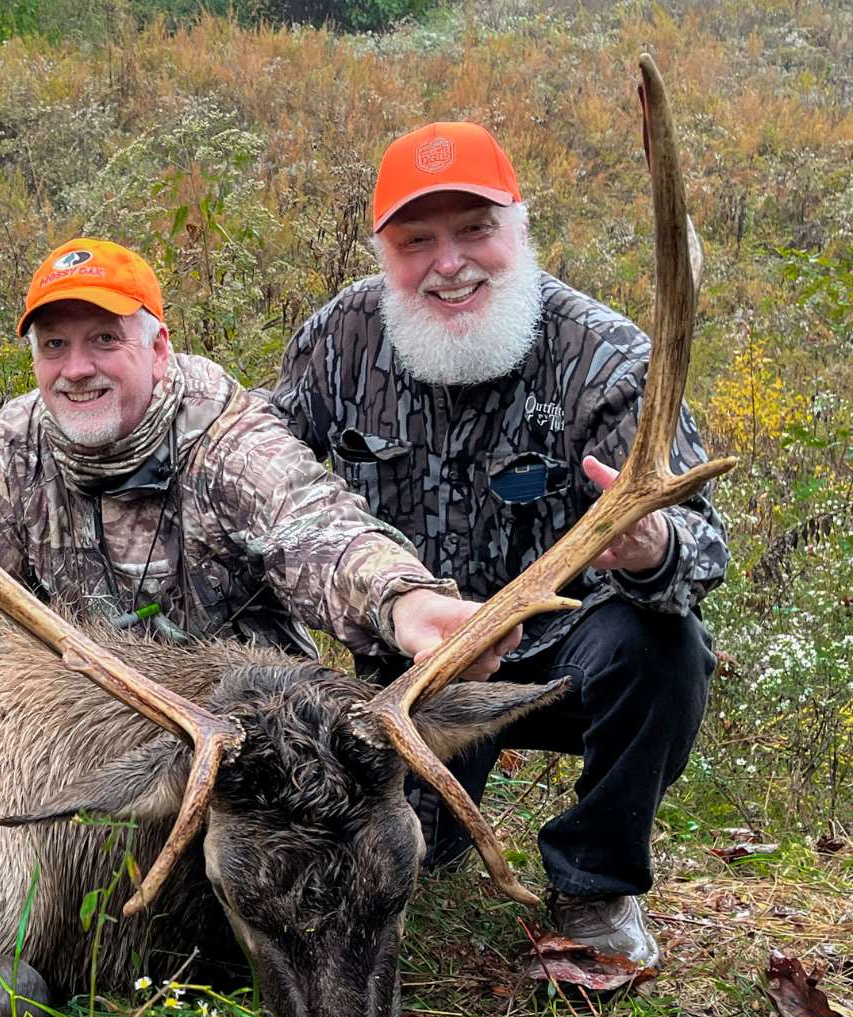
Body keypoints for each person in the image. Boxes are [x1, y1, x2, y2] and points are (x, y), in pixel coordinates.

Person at [263, 121, 729, 969]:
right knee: (405, 868)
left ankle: (594, 886)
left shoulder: (609, 359)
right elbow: (259, 476)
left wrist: (654, 545)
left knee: (663, 646)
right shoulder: (339, 342)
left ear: (520, 229)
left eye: (475, 230)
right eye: (417, 241)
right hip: (406, 666)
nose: (450, 263)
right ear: (383, 252)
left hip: (561, 659)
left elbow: (706, 550)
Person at [0, 236, 521, 681]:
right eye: (55, 345)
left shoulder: (224, 435)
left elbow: (313, 527)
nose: (77, 369)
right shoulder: (12, 448)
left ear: (157, 350)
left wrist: (402, 600)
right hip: (78, 723)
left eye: (105, 339)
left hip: (245, 737)